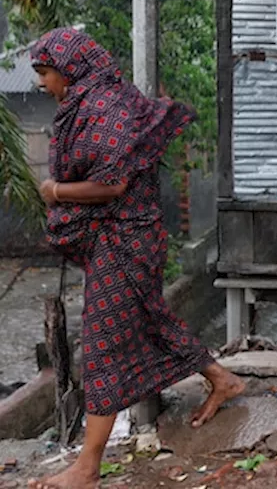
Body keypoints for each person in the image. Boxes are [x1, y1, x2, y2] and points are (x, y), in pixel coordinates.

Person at [28, 28, 244, 489]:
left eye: (45, 73)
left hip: (126, 238)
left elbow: (113, 184)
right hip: (121, 238)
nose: (43, 85)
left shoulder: (106, 106)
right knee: (149, 318)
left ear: (70, 69)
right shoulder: (91, 102)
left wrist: (54, 190)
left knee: (103, 344)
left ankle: (87, 465)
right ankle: (222, 378)